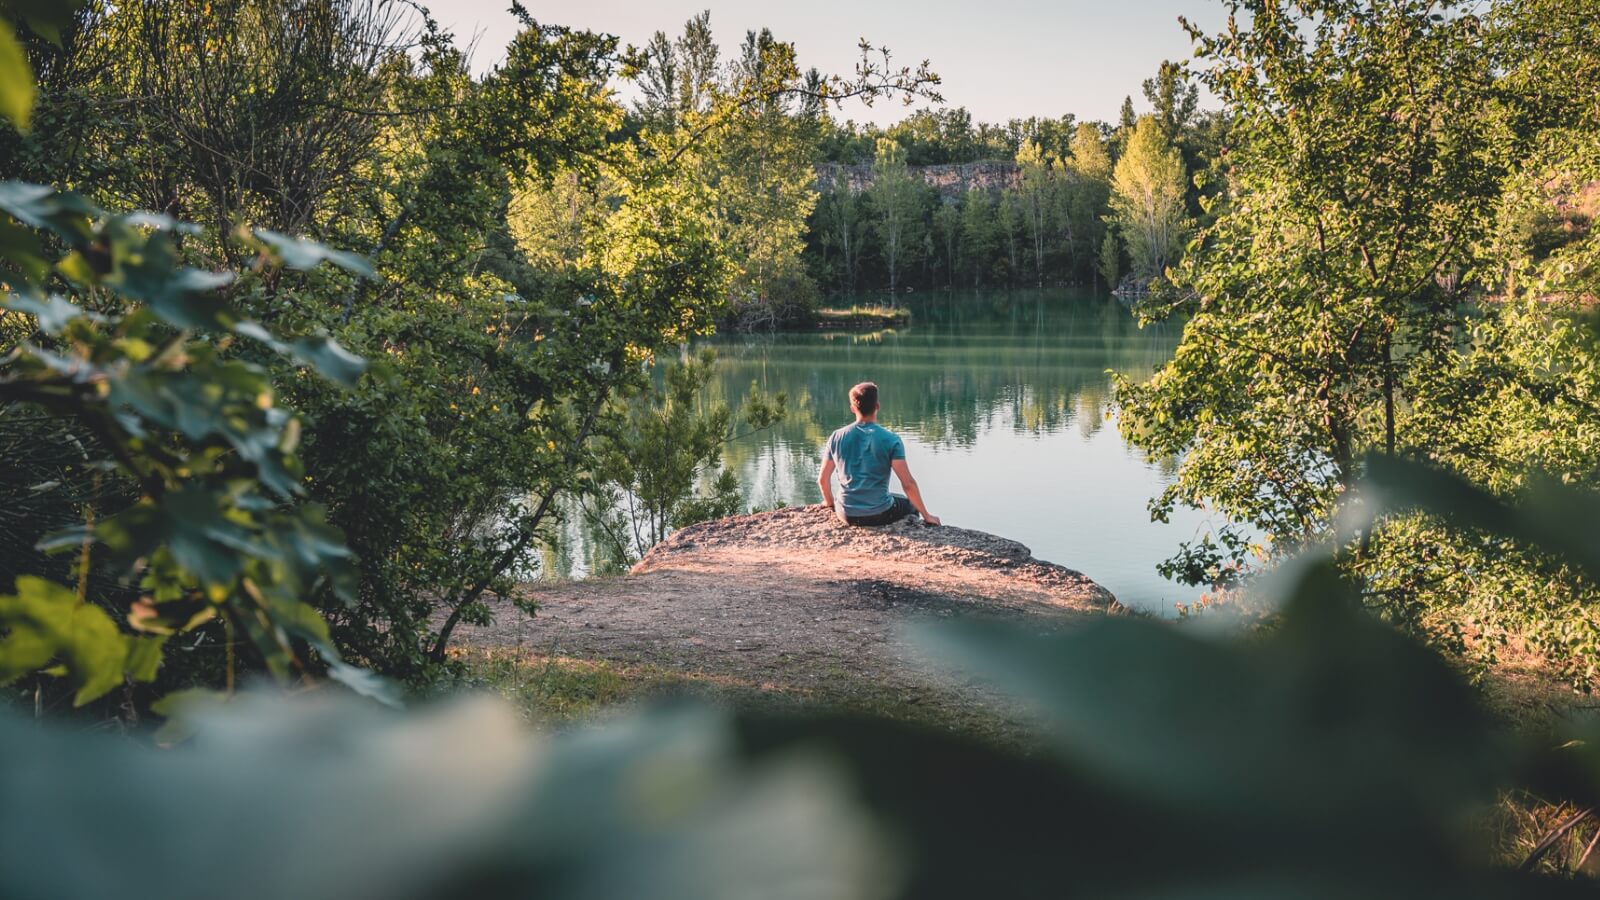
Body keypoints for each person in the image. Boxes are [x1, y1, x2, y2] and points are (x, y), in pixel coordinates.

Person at [817, 382, 940, 527]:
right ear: (877, 406)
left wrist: (829, 503)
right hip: (878, 514)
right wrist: (927, 515)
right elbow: (908, 484)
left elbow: (822, 479)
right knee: (910, 505)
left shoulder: (836, 437)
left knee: (897, 498)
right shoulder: (891, 440)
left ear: (852, 408)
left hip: (845, 513)